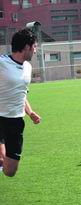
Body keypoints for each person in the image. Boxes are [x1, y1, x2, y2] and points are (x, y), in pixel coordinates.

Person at [0, 28, 41, 177]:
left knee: (10, 171)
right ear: (26, 47)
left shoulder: (28, 67)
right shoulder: (2, 63)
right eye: (34, 47)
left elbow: (21, 93)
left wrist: (30, 112)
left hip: (15, 121)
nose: (35, 51)